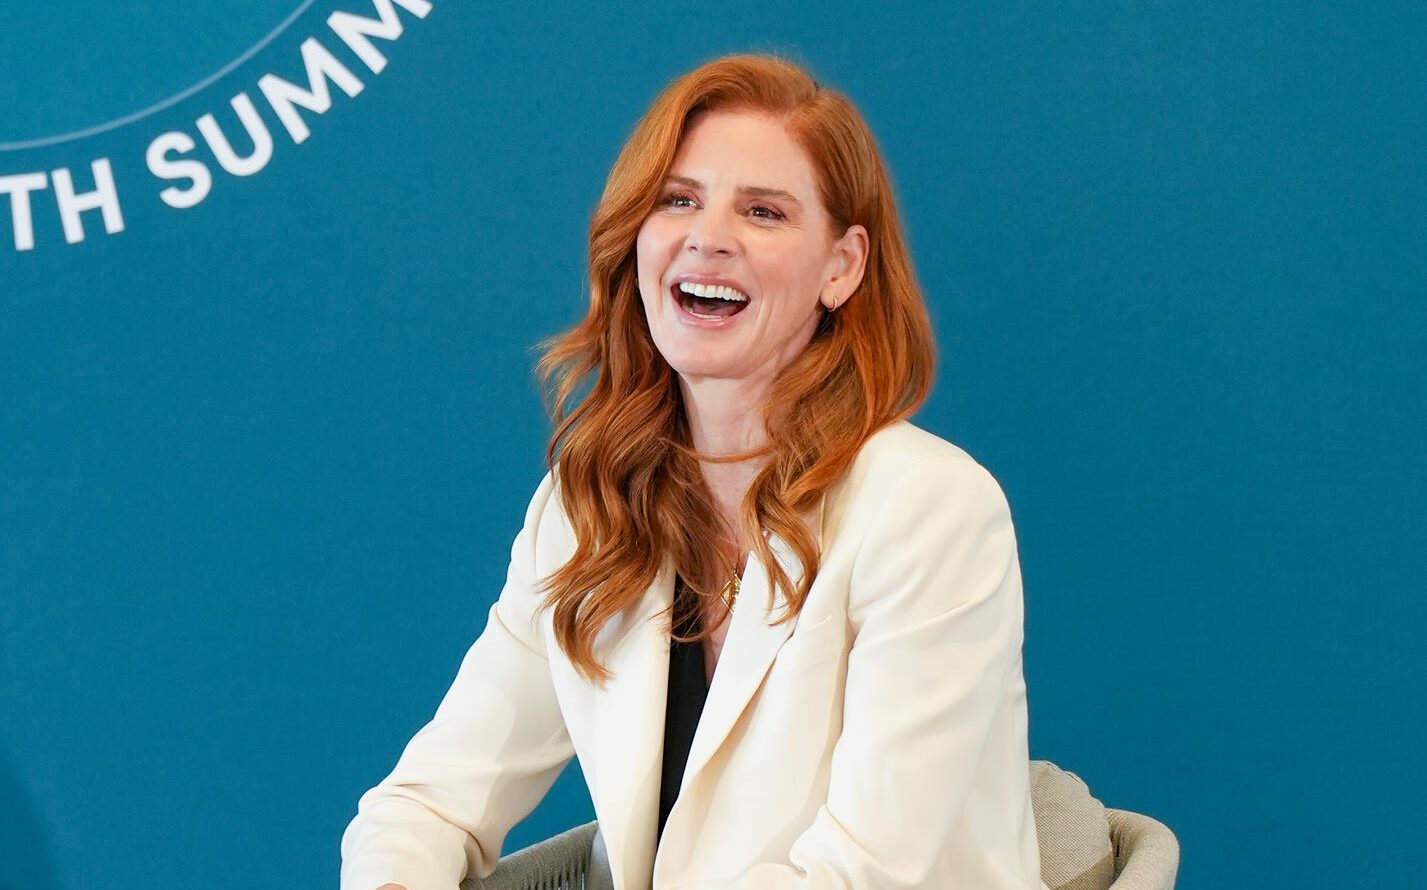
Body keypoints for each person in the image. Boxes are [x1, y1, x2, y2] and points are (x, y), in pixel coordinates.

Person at [341, 53, 1046, 890]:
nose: (707, 237)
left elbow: (861, 875)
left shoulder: (929, 508)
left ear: (841, 267)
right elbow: (428, 804)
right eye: (678, 200)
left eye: (763, 211)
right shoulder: (587, 504)